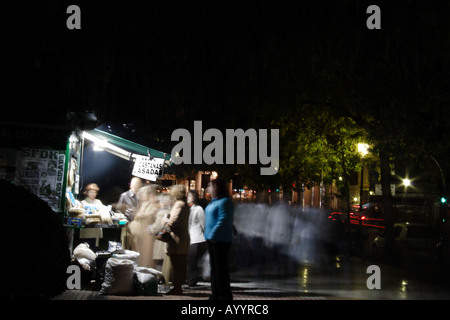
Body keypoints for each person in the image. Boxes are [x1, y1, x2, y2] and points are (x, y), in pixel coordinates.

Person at [204, 179, 234, 300]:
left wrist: (213, 236)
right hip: (212, 240)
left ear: (217, 187)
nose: (208, 188)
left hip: (220, 241)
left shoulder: (225, 202)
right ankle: (216, 294)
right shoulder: (213, 202)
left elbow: (223, 220)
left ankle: (223, 296)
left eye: (210, 186)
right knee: (215, 269)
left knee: (221, 270)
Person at [163, 185, 190, 295]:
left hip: (176, 239)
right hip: (182, 239)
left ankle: (177, 287)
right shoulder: (185, 205)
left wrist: (165, 218)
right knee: (179, 264)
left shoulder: (179, 205)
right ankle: (176, 287)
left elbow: (172, 222)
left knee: (176, 264)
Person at [127, 184, 161, 268]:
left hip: (147, 234)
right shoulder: (144, 204)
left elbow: (151, 215)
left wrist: (141, 216)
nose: (141, 196)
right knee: (140, 253)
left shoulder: (153, 205)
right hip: (140, 234)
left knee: (146, 254)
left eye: (143, 194)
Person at [148, 193, 173, 272]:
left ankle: (160, 280)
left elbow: (156, 228)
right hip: (168, 241)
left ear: (162, 202)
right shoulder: (171, 211)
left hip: (161, 242)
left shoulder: (162, 213)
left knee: (159, 263)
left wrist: (149, 228)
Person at [186, 190, 206, 287]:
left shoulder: (198, 209)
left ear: (194, 197)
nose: (187, 197)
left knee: (192, 260)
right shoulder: (187, 209)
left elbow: (203, 224)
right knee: (190, 260)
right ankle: (190, 278)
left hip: (197, 238)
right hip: (190, 238)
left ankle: (192, 280)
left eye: (189, 196)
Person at [79, 183, 103, 250]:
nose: (93, 194)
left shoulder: (98, 202)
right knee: (85, 249)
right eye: (91, 192)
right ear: (86, 193)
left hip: (96, 231)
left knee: (95, 250)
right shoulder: (83, 203)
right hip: (87, 231)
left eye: (94, 192)